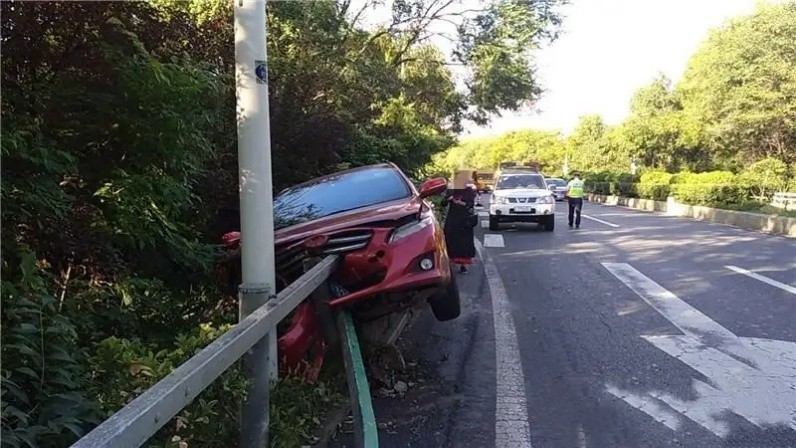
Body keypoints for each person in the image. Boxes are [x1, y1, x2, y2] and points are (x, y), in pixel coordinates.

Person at [441, 183, 477, 273]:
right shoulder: (451, 191)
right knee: (450, 239)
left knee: (464, 242)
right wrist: (448, 199)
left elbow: (471, 205)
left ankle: (463, 265)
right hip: (453, 219)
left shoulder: (469, 191)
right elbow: (443, 204)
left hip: (464, 220)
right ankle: (449, 262)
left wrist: (460, 202)